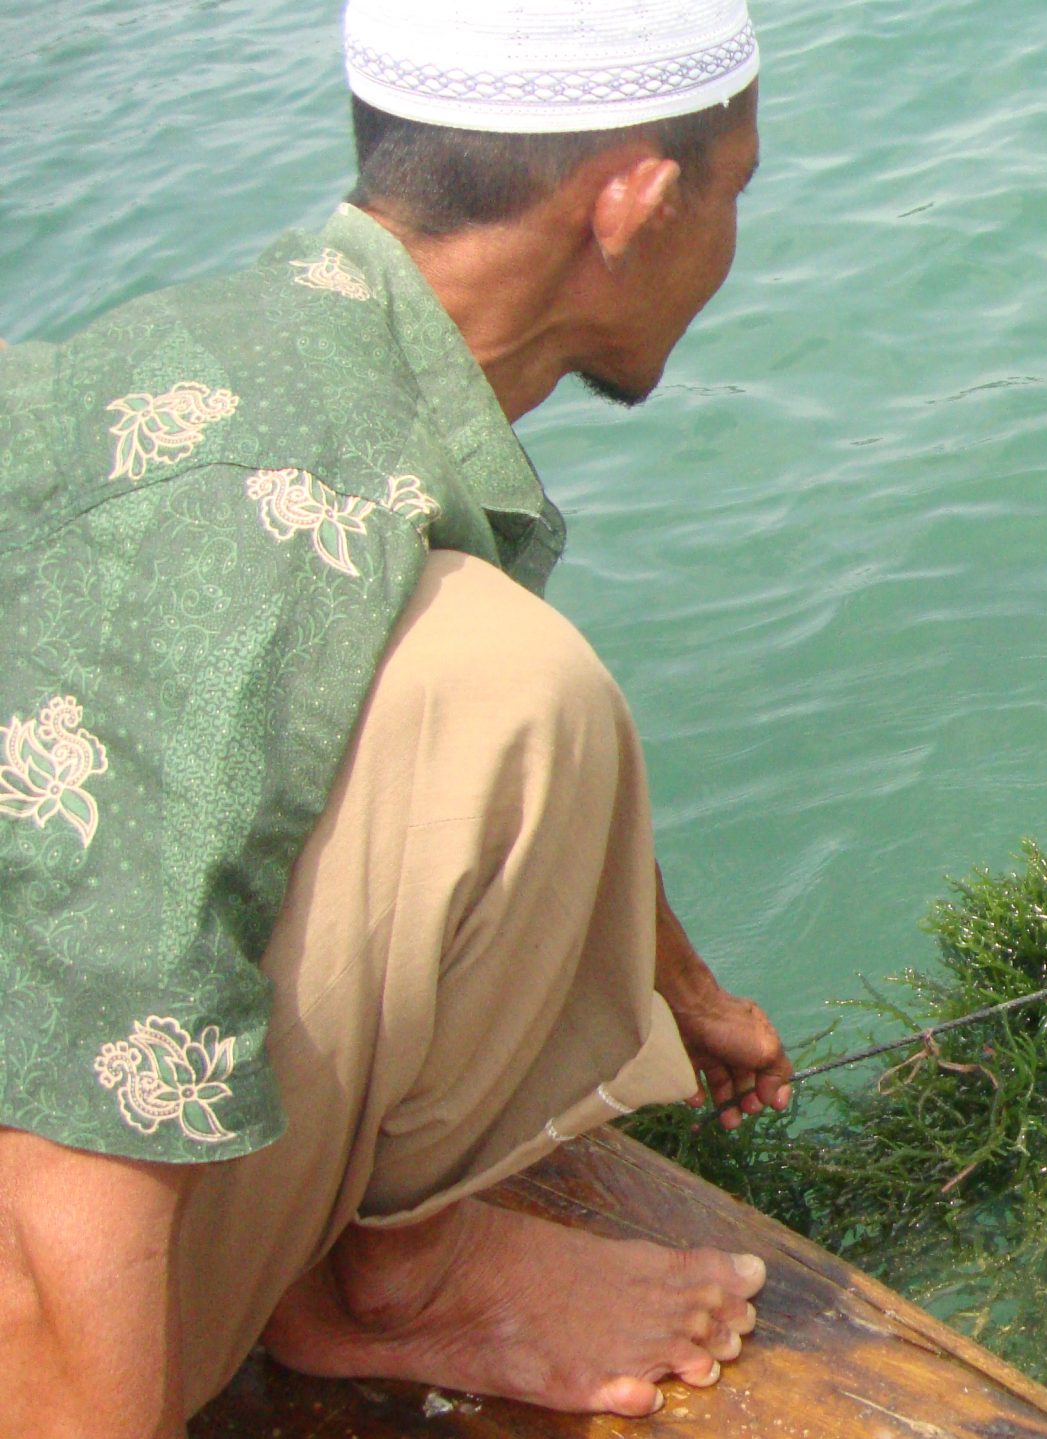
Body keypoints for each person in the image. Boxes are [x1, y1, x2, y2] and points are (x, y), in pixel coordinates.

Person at [0, 2, 801, 1431]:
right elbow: (76, 1125)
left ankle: (378, 1268)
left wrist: (685, 994)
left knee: (468, 668)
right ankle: (397, 1283)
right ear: (637, 200)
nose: (732, 241)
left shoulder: (249, 355)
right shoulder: (265, 536)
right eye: (733, 189)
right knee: (510, 689)